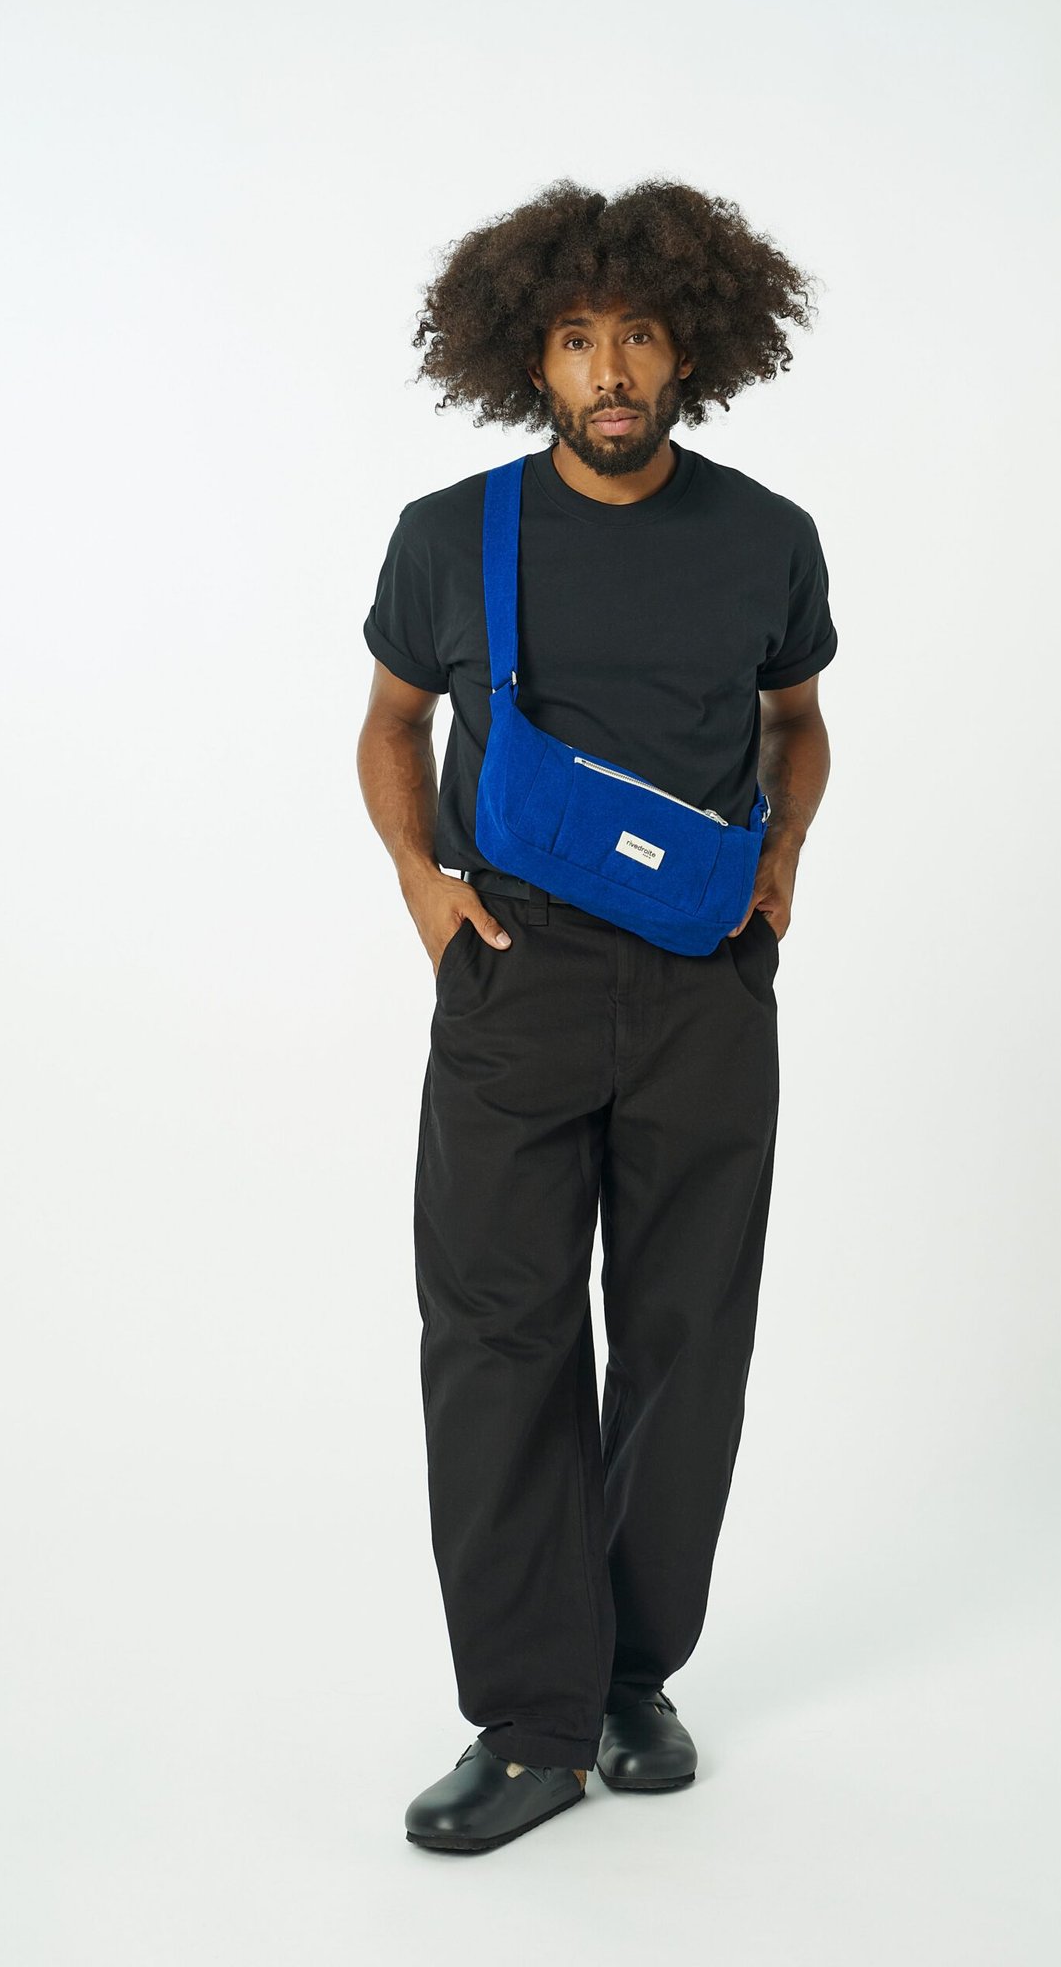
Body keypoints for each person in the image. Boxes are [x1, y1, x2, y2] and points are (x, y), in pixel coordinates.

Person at [355, 178, 836, 1855]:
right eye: (575, 339)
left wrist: (782, 860)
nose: (610, 369)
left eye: (638, 334)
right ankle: (530, 1723)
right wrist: (426, 893)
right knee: (500, 1338)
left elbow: (798, 721)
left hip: (706, 985)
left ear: (692, 347)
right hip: (518, 972)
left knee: (688, 1342)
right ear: (531, 359)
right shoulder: (451, 534)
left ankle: (633, 1674)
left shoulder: (768, 535)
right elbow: (390, 726)